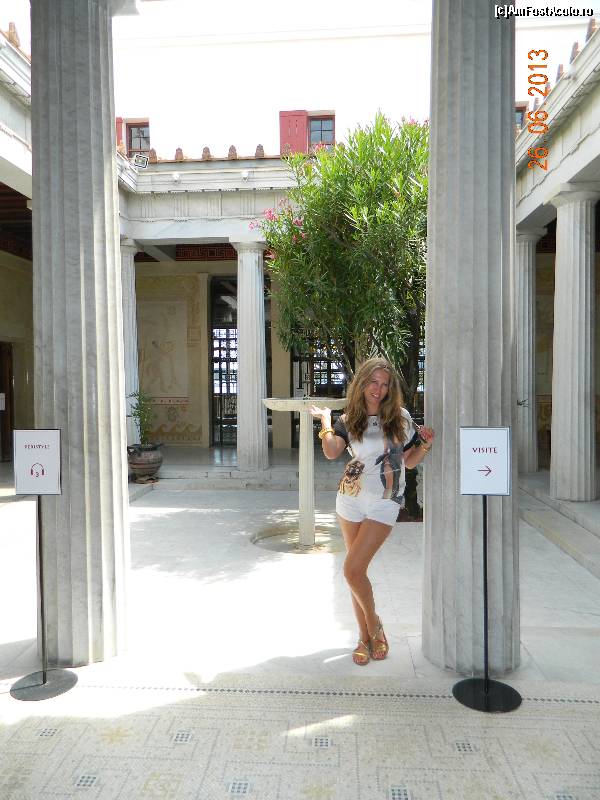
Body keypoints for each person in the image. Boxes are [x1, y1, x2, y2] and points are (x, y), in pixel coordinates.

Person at [310, 357, 435, 666]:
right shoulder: (350, 418)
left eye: (384, 384)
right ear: (362, 383)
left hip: (385, 500)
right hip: (350, 498)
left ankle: (374, 624)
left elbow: (408, 462)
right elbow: (332, 452)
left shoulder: (401, 418)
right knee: (357, 572)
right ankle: (364, 637)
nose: (378, 389)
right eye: (373, 382)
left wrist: (425, 445)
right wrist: (325, 422)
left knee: (352, 570)